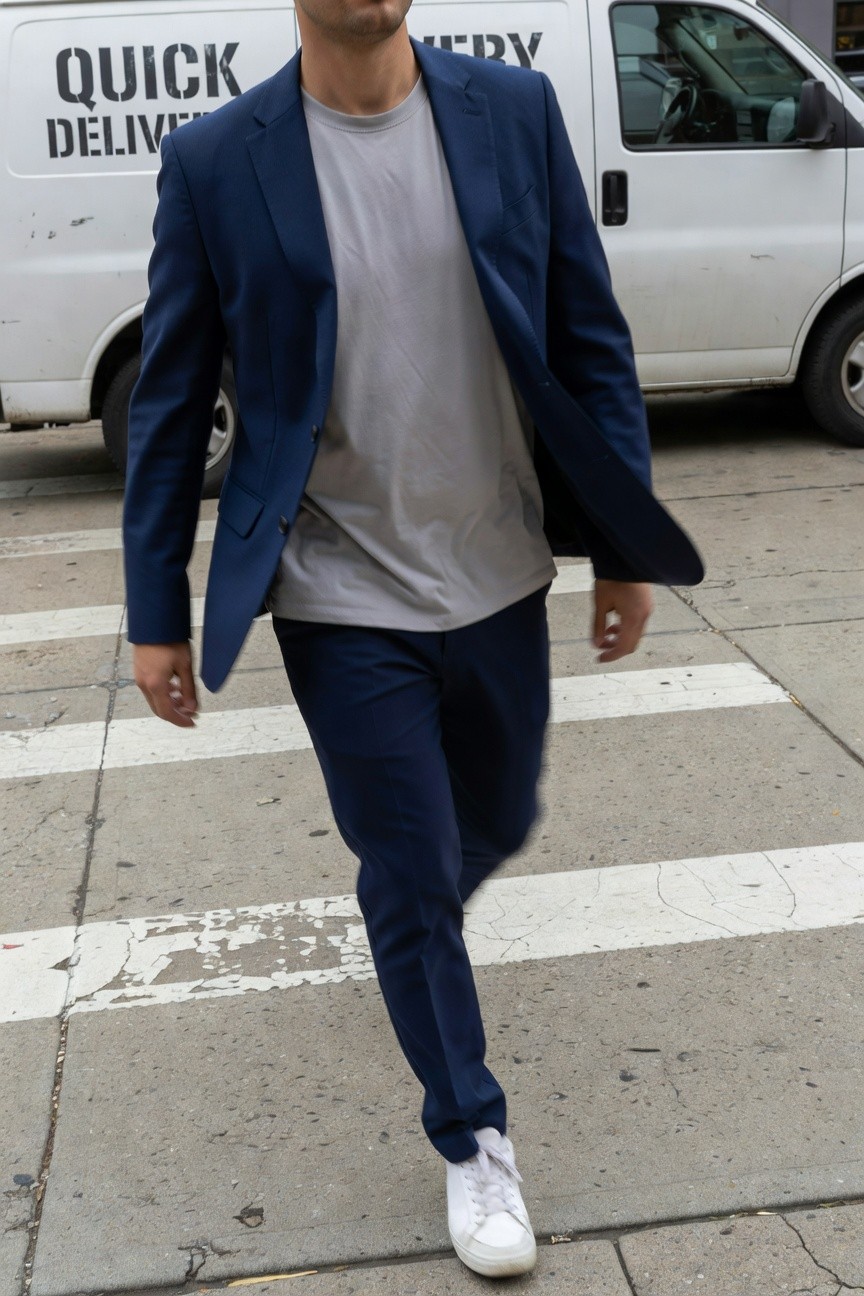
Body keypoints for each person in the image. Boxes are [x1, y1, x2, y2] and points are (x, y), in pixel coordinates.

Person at [123, 0, 703, 1278]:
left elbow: (588, 337)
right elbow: (169, 399)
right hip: (338, 590)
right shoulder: (220, 158)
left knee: (477, 833)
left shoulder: (513, 114)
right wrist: (153, 612)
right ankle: (473, 1135)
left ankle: (408, 906)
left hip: (497, 568)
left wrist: (626, 544)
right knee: (415, 858)